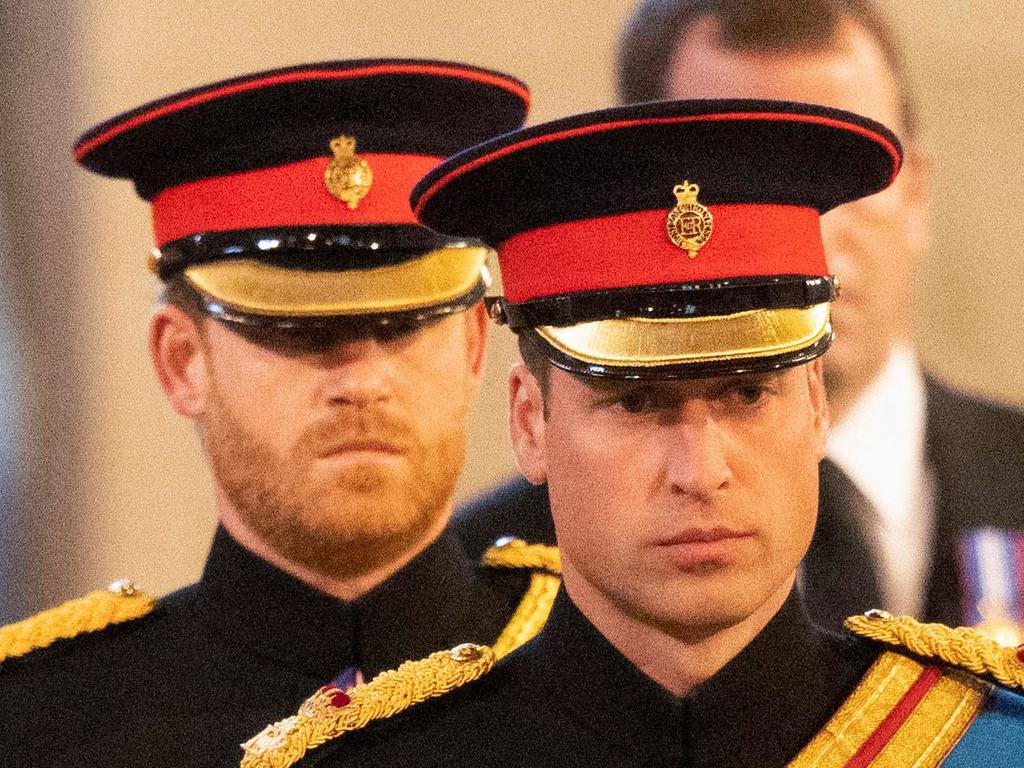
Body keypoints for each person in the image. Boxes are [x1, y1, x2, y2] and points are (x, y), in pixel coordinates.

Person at [243, 99, 1024, 768]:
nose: (702, 469)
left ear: (815, 404)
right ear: (529, 423)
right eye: (638, 403)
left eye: (748, 393)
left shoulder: (987, 746)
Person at [0, 60, 562, 767]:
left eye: (404, 326)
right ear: (182, 362)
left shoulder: (611, 677)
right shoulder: (41, 725)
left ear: (476, 346)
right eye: (300, 332)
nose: (362, 380)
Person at [464, 0, 1024, 636]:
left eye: (849, 177)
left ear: (917, 193)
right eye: (741, 180)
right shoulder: (475, 581)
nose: (818, 231)